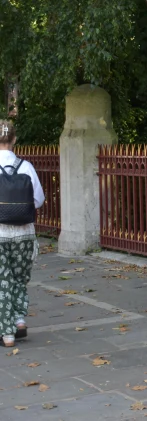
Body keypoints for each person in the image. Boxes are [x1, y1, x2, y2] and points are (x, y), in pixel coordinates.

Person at [0, 120, 44, 347]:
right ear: (15, 139)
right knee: (18, 279)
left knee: (2, 282)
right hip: (25, 234)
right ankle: (18, 320)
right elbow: (38, 201)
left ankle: (6, 334)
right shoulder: (26, 167)